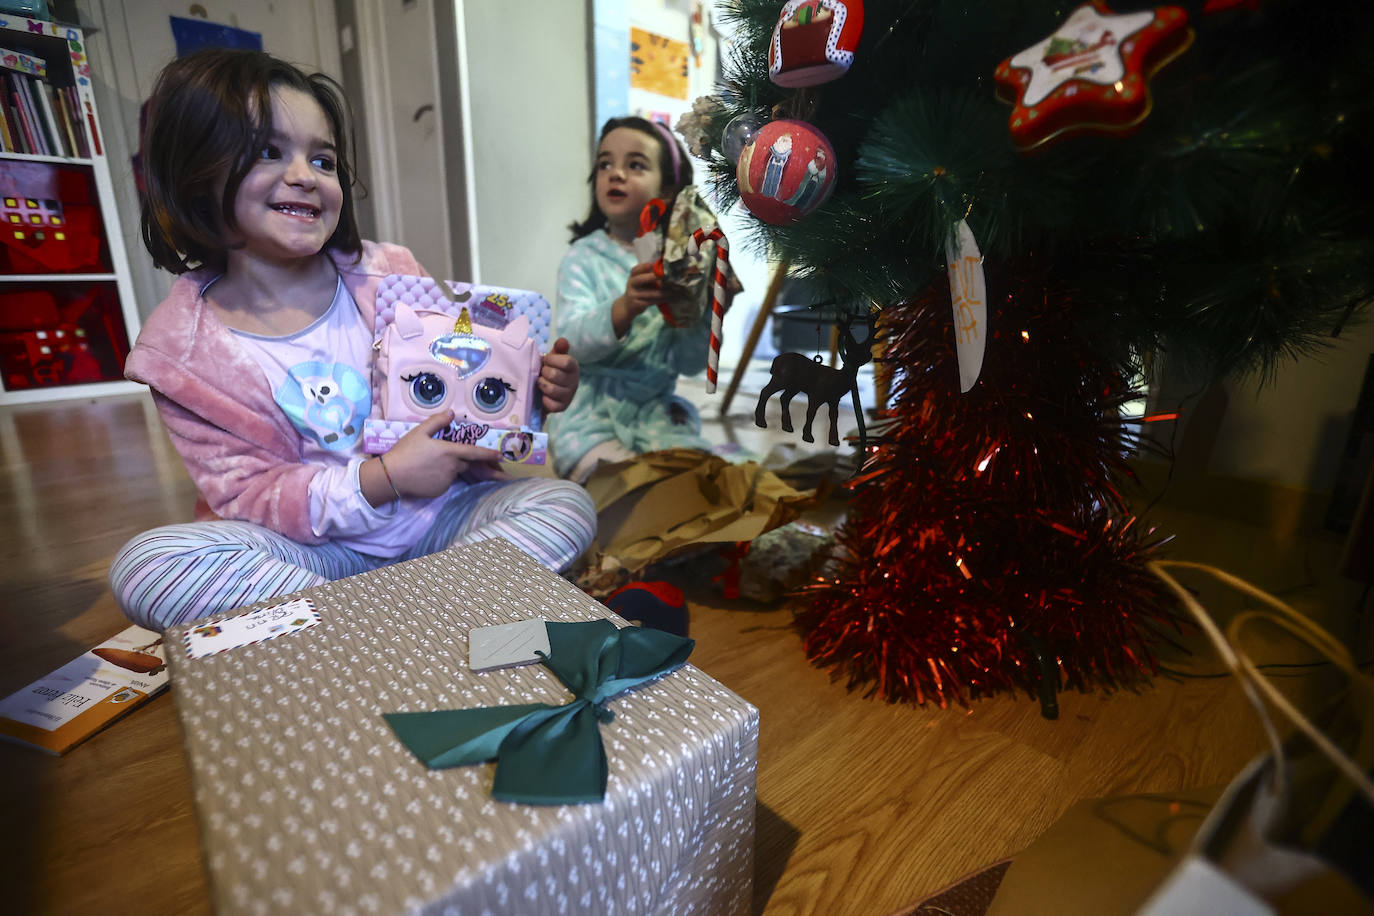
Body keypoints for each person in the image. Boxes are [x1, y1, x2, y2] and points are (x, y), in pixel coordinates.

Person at [110, 49, 596, 632]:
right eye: (269, 152)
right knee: (149, 567)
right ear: (194, 173)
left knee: (564, 504)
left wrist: (535, 393)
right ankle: (426, 620)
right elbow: (252, 496)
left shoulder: (389, 273)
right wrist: (383, 477)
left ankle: (375, 627)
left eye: (323, 159)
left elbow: (467, 397)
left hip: (442, 526)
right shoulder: (182, 354)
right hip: (317, 558)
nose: (304, 176)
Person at [551, 115, 716, 483]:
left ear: (669, 189)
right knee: (621, 486)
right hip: (590, 418)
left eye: (635, 165)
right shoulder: (583, 256)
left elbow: (688, 363)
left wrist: (703, 307)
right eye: (605, 163)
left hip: (656, 413)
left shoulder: (680, 263)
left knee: (700, 481)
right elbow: (572, 341)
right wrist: (624, 308)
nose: (617, 173)